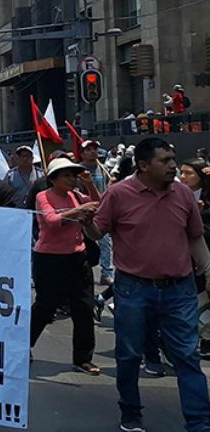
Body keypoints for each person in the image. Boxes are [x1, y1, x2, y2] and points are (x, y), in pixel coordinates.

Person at [94, 137, 210, 432]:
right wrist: (84, 221)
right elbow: (97, 232)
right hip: (133, 289)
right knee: (130, 354)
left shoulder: (183, 195)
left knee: (186, 355)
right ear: (143, 166)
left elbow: (195, 237)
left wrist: (209, 272)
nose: (173, 166)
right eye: (166, 161)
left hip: (180, 289)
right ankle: (130, 413)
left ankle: (199, 421)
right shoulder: (118, 194)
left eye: (173, 159)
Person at [29, 158, 101, 375]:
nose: (72, 179)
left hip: (77, 257)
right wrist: (78, 212)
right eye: (66, 175)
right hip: (49, 259)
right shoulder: (43, 196)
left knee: (84, 308)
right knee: (45, 306)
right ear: (53, 179)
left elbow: (98, 203)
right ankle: (22, 345)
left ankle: (83, 358)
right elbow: (51, 222)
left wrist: (89, 185)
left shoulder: (77, 195)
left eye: (74, 175)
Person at [179, 158, 210, 358]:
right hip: (182, 259)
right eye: (181, 172)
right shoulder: (176, 196)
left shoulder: (206, 200)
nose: (183, 177)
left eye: (189, 173)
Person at [79, 140, 114, 286]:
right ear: (82, 153)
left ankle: (106, 273)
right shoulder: (78, 170)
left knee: (105, 243)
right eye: (88, 149)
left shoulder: (103, 168)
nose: (93, 151)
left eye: (95, 149)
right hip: (84, 211)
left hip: (102, 211)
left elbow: (107, 186)